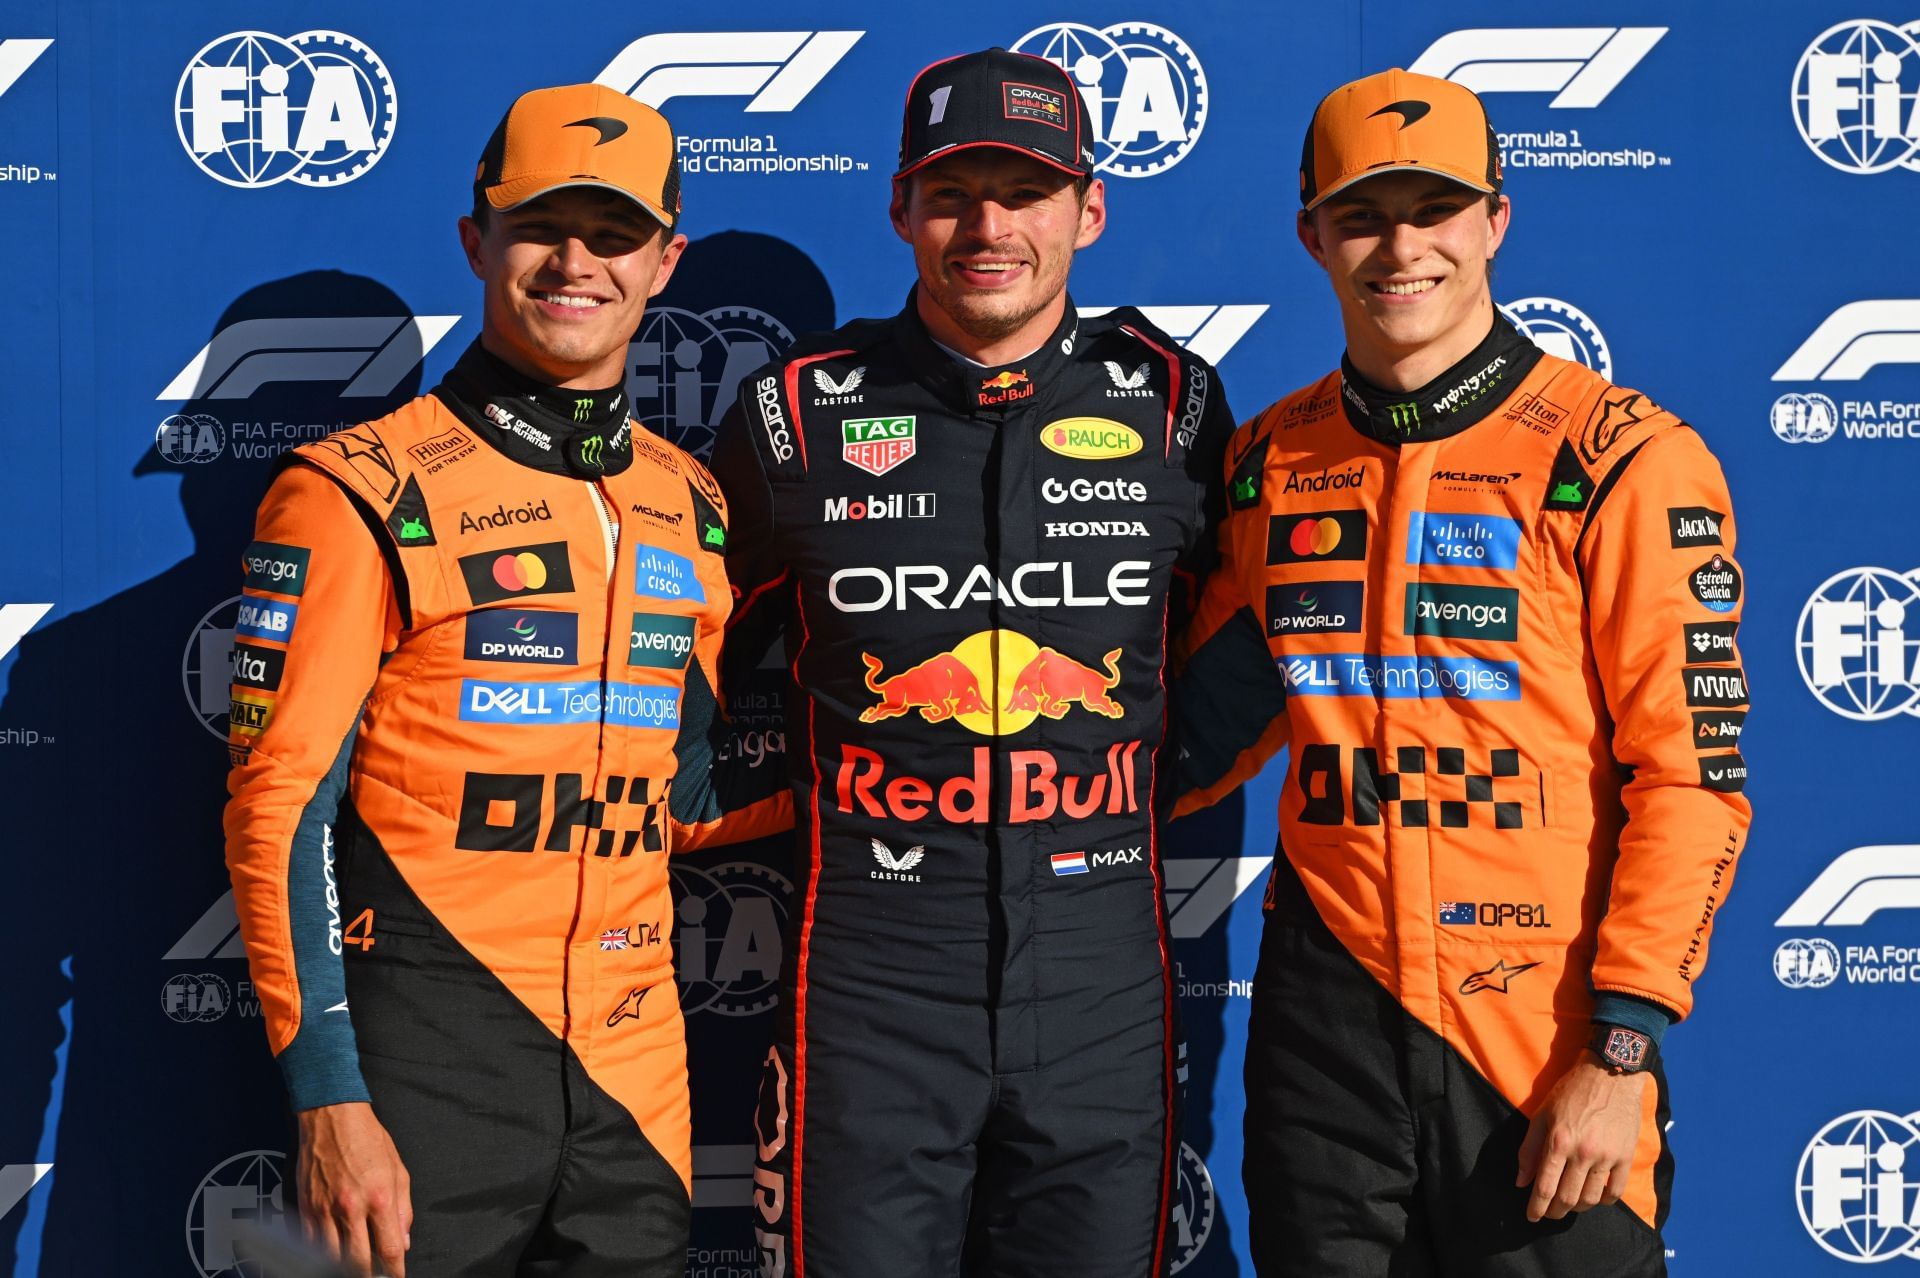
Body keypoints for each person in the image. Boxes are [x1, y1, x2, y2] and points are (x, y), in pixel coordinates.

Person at [1173, 68, 1751, 1276]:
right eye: (1362, 216)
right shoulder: (1273, 458)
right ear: (1311, 236)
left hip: (1540, 1033)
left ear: (1495, 219)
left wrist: (1622, 1049)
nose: (1402, 249)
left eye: (1434, 210)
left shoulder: (1620, 455)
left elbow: (1692, 783)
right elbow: (1198, 732)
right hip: (1325, 1019)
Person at [707, 46, 1235, 1278]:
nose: (987, 228)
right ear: (900, 211)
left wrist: (1151, 781)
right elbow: (675, 648)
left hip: (1103, 979)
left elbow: (1254, 643)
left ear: (1088, 211)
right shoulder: (796, 411)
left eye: (1027, 192)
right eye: (952, 194)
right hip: (870, 980)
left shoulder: (1173, 403)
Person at [222, 83, 763, 1277]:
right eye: (540, 227)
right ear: (477, 240)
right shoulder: (355, 488)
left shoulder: (694, 503)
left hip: (639, 1082)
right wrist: (326, 1099)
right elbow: (281, 807)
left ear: (666, 261)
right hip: (426, 1071)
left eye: (615, 235)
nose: (577, 263)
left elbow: (691, 790)